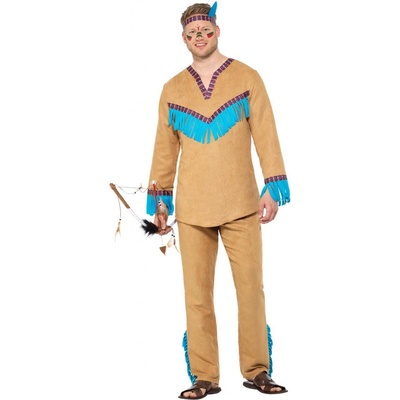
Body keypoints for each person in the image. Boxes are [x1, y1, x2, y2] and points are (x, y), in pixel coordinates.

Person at [146, 2, 290, 397]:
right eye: (193, 33)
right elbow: (163, 151)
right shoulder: (172, 89)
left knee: (251, 290)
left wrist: (272, 186)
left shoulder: (247, 77)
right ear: (183, 38)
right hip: (193, 209)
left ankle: (258, 370)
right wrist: (160, 204)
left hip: (243, 203)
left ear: (217, 31)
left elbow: (266, 133)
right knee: (197, 298)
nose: (200, 38)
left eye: (206, 31)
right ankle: (204, 376)